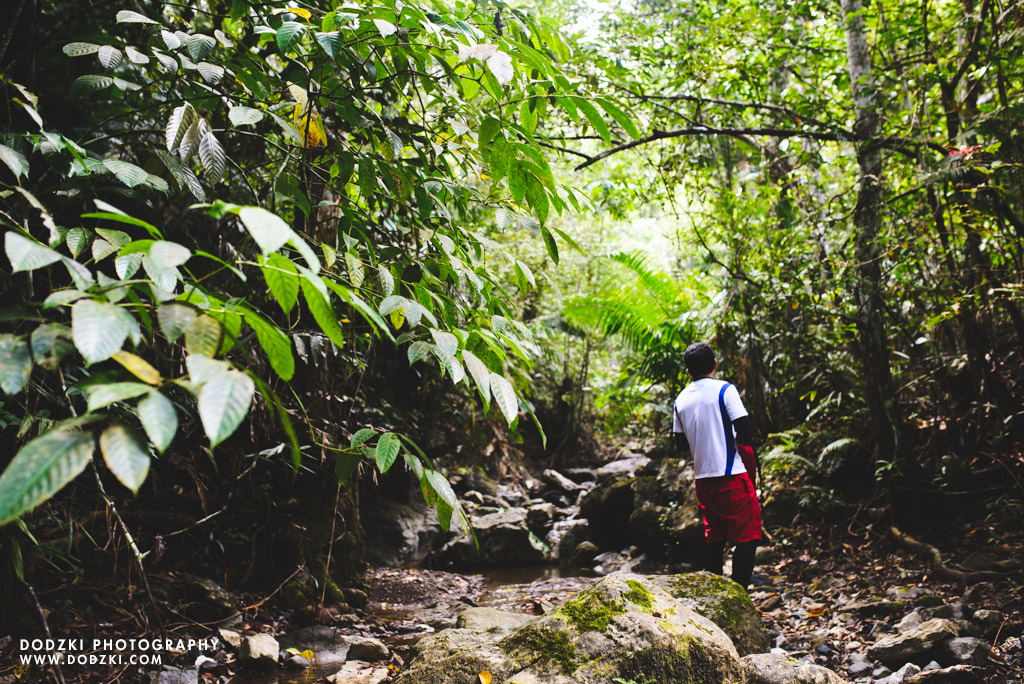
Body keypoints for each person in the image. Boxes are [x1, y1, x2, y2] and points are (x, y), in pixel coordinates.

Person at [672, 342, 762, 589]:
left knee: (716, 536)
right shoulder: (725, 389)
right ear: (714, 364)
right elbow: (745, 431)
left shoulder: (680, 400)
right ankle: (739, 593)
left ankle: (714, 593)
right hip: (730, 473)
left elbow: (680, 444)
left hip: (703, 479)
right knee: (748, 535)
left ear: (688, 371)